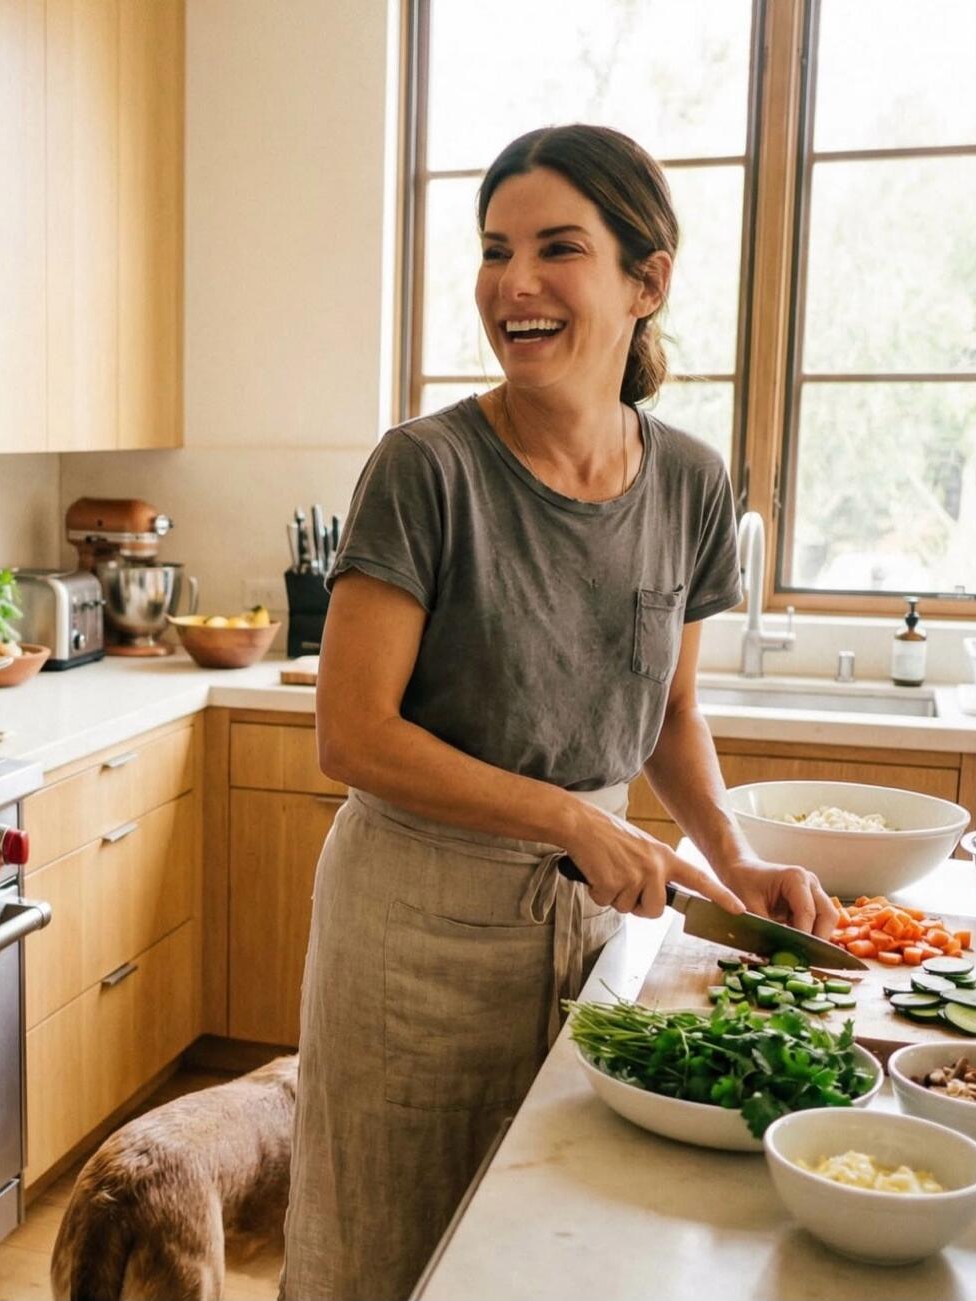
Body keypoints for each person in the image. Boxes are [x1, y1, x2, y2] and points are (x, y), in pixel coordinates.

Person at [279, 123, 837, 1301]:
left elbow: (671, 710)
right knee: (380, 1252)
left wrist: (736, 861)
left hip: (591, 926)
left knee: (549, 1249)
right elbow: (353, 735)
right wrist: (571, 820)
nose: (512, 284)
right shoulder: (426, 467)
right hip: (413, 929)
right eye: (495, 250)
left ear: (647, 280)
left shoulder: (688, 480)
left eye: (556, 249)